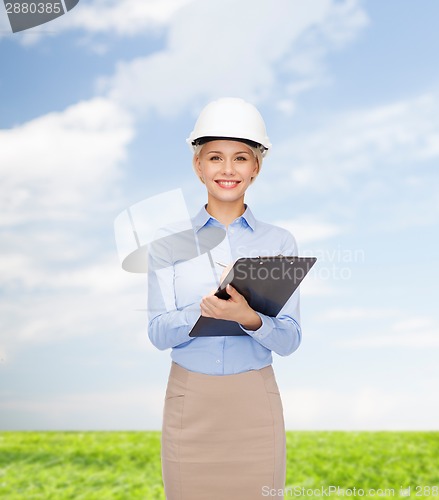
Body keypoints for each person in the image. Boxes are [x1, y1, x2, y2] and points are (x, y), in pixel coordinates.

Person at [147, 97, 302, 500]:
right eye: (215, 157)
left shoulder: (280, 242)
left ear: (256, 167)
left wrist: (248, 317)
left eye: (241, 158)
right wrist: (204, 310)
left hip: (255, 402)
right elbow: (158, 333)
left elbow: (289, 340)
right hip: (190, 402)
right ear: (198, 166)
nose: (228, 169)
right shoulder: (169, 244)